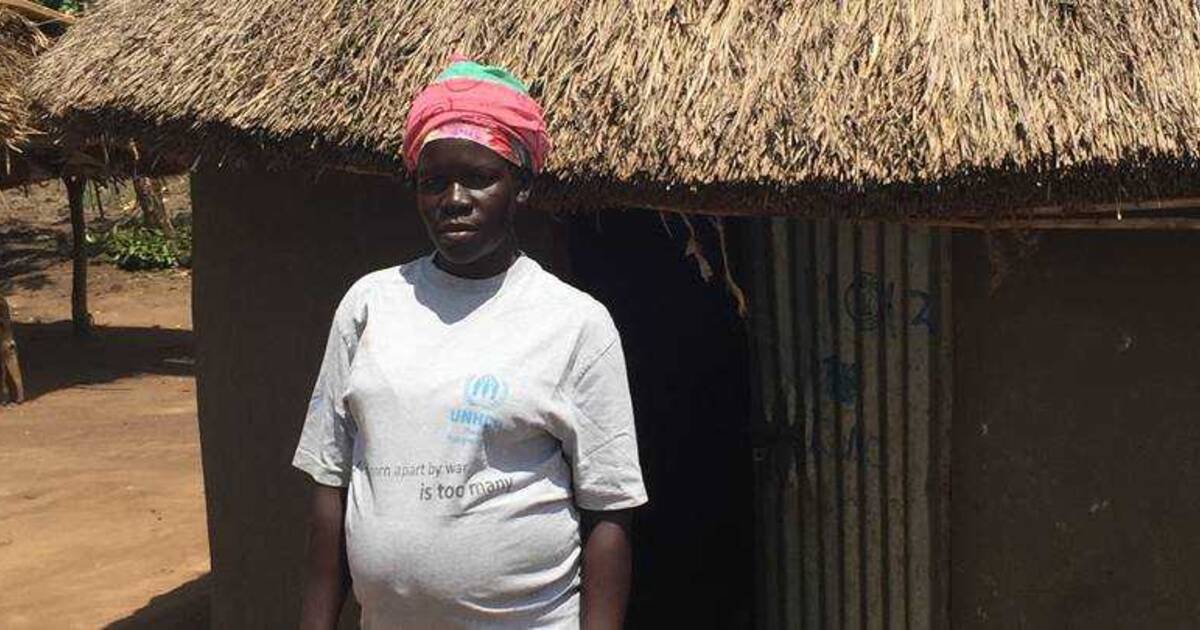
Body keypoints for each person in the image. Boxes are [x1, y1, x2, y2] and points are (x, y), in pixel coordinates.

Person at [292, 59, 648, 630]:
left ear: (522, 186)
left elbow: (609, 509)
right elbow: (331, 482)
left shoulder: (574, 323)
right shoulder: (370, 305)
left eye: (479, 178)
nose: (454, 199)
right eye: (433, 182)